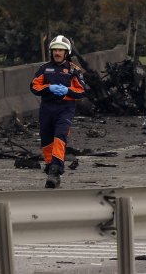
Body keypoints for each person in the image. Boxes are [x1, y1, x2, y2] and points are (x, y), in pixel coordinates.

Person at [30, 35, 85, 188]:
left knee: (60, 136)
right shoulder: (44, 68)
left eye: (60, 50)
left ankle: (55, 170)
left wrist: (67, 90)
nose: (57, 53)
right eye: (55, 50)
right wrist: (48, 88)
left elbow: (81, 91)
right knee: (46, 140)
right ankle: (49, 166)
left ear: (66, 52)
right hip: (47, 108)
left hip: (65, 109)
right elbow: (34, 87)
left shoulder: (74, 70)